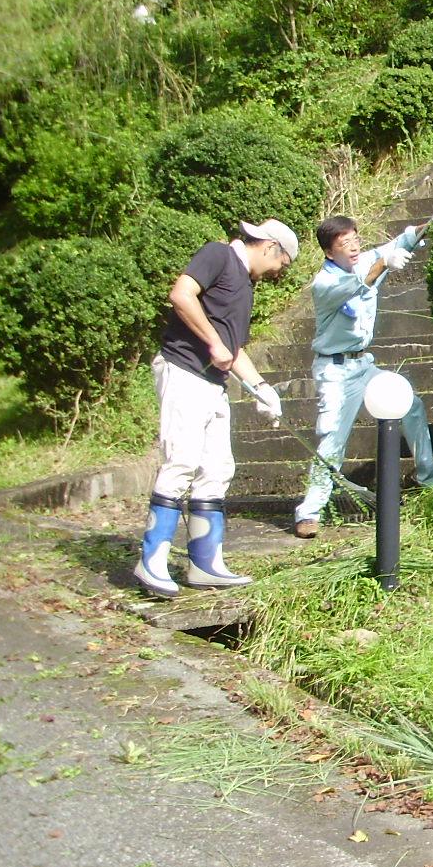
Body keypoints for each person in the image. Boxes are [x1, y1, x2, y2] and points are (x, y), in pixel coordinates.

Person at [134, 219, 298, 598]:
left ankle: (205, 563)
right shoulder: (219, 254)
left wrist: (261, 388)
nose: (278, 273)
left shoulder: (245, 285)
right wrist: (212, 342)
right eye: (282, 264)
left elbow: (233, 349)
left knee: (218, 468)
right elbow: (181, 295)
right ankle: (152, 561)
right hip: (183, 370)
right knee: (181, 462)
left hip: (213, 383)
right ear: (270, 247)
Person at [292, 212, 433, 539]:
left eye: (355, 239)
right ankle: (310, 511)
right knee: (333, 438)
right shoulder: (325, 283)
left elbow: (406, 237)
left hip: (363, 364)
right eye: (343, 243)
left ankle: (429, 477)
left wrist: (431, 223)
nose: (353, 247)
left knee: (411, 405)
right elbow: (362, 283)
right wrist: (384, 264)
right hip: (334, 370)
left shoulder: (367, 258)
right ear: (329, 251)